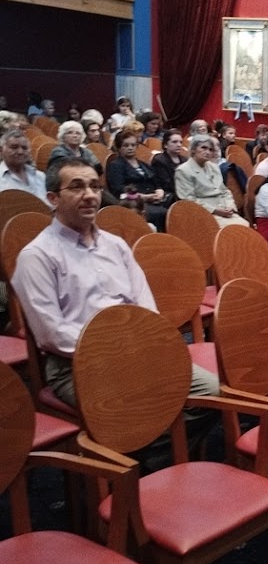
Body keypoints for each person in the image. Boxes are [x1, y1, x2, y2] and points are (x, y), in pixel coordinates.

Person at [11, 159, 219, 410]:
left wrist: (142, 344)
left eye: (94, 186)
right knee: (143, 407)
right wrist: (117, 351)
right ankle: (148, 432)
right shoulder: (37, 256)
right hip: (78, 363)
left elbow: (145, 303)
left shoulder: (115, 245)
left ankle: (157, 435)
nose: (89, 195)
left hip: (137, 349)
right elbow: (51, 335)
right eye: (77, 187)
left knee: (212, 393)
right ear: (53, 198)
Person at [174, 135, 248, 227]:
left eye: (210, 149)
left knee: (246, 226)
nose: (208, 152)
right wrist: (215, 210)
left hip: (225, 210)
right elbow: (188, 200)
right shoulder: (183, 170)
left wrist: (230, 207)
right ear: (193, 149)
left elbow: (225, 191)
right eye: (203, 148)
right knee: (237, 230)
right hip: (204, 214)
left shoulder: (213, 167)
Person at [106, 130, 170, 231]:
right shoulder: (115, 165)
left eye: (133, 145)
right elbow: (119, 191)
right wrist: (144, 197)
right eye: (126, 145)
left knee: (177, 210)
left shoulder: (143, 164)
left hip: (154, 200)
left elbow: (156, 183)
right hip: (134, 204)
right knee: (162, 213)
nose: (130, 148)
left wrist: (159, 191)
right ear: (119, 147)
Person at [0, 129, 50, 203]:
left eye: (24, 148)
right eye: (14, 147)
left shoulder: (40, 176)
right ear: (1, 150)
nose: (20, 152)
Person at [150, 129, 186, 197]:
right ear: (165, 145)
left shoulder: (185, 160)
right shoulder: (159, 160)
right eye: (174, 142)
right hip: (171, 194)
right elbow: (167, 184)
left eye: (181, 142)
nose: (179, 145)